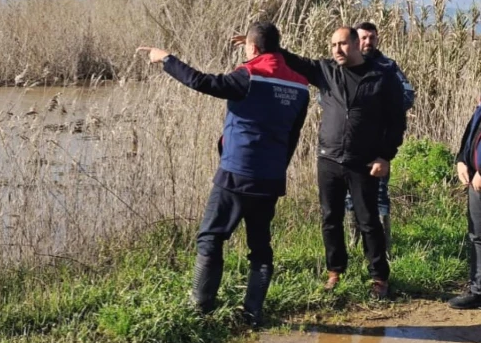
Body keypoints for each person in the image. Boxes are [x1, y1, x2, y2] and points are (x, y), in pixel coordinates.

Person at [137, 21, 309, 327]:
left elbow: (203, 82)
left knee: (211, 238)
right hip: (270, 179)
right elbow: (294, 135)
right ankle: (252, 314)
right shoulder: (300, 85)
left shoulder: (249, 75)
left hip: (237, 173)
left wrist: (165, 58)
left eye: (249, 46)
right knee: (260, 246)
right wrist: (277, 169)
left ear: (252, 47)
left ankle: (201, 309)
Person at [279, 27, 407, 299]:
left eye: (342, 44)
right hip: (329, 158)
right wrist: (266, 46)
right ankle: (335, 271)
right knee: (330, 218)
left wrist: (385, 155)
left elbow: (397, 121)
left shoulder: (381, 77)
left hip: (364, 162)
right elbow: (295, 60)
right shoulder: (326, 71)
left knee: (368, 220)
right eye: (333, 44)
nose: (337, 49)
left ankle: (379, 278)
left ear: (356, 44)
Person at [345, 22, 415, 250]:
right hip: (349, 144)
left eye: (371, 38)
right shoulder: (345, 64)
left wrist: (381, 108)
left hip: (378, 145)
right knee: (349, 196)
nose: (367, 42)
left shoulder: (388, 66)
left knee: (380, 194)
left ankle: (383, 248)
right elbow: (328, 97)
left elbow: (408, 95)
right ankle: (354, 244)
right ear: (355, 40)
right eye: (363, 38)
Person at [449, 100, 481, 309]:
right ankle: (478, 290)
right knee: (477, 235)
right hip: (475, 182)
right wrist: (462, 160)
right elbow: (471, 134)